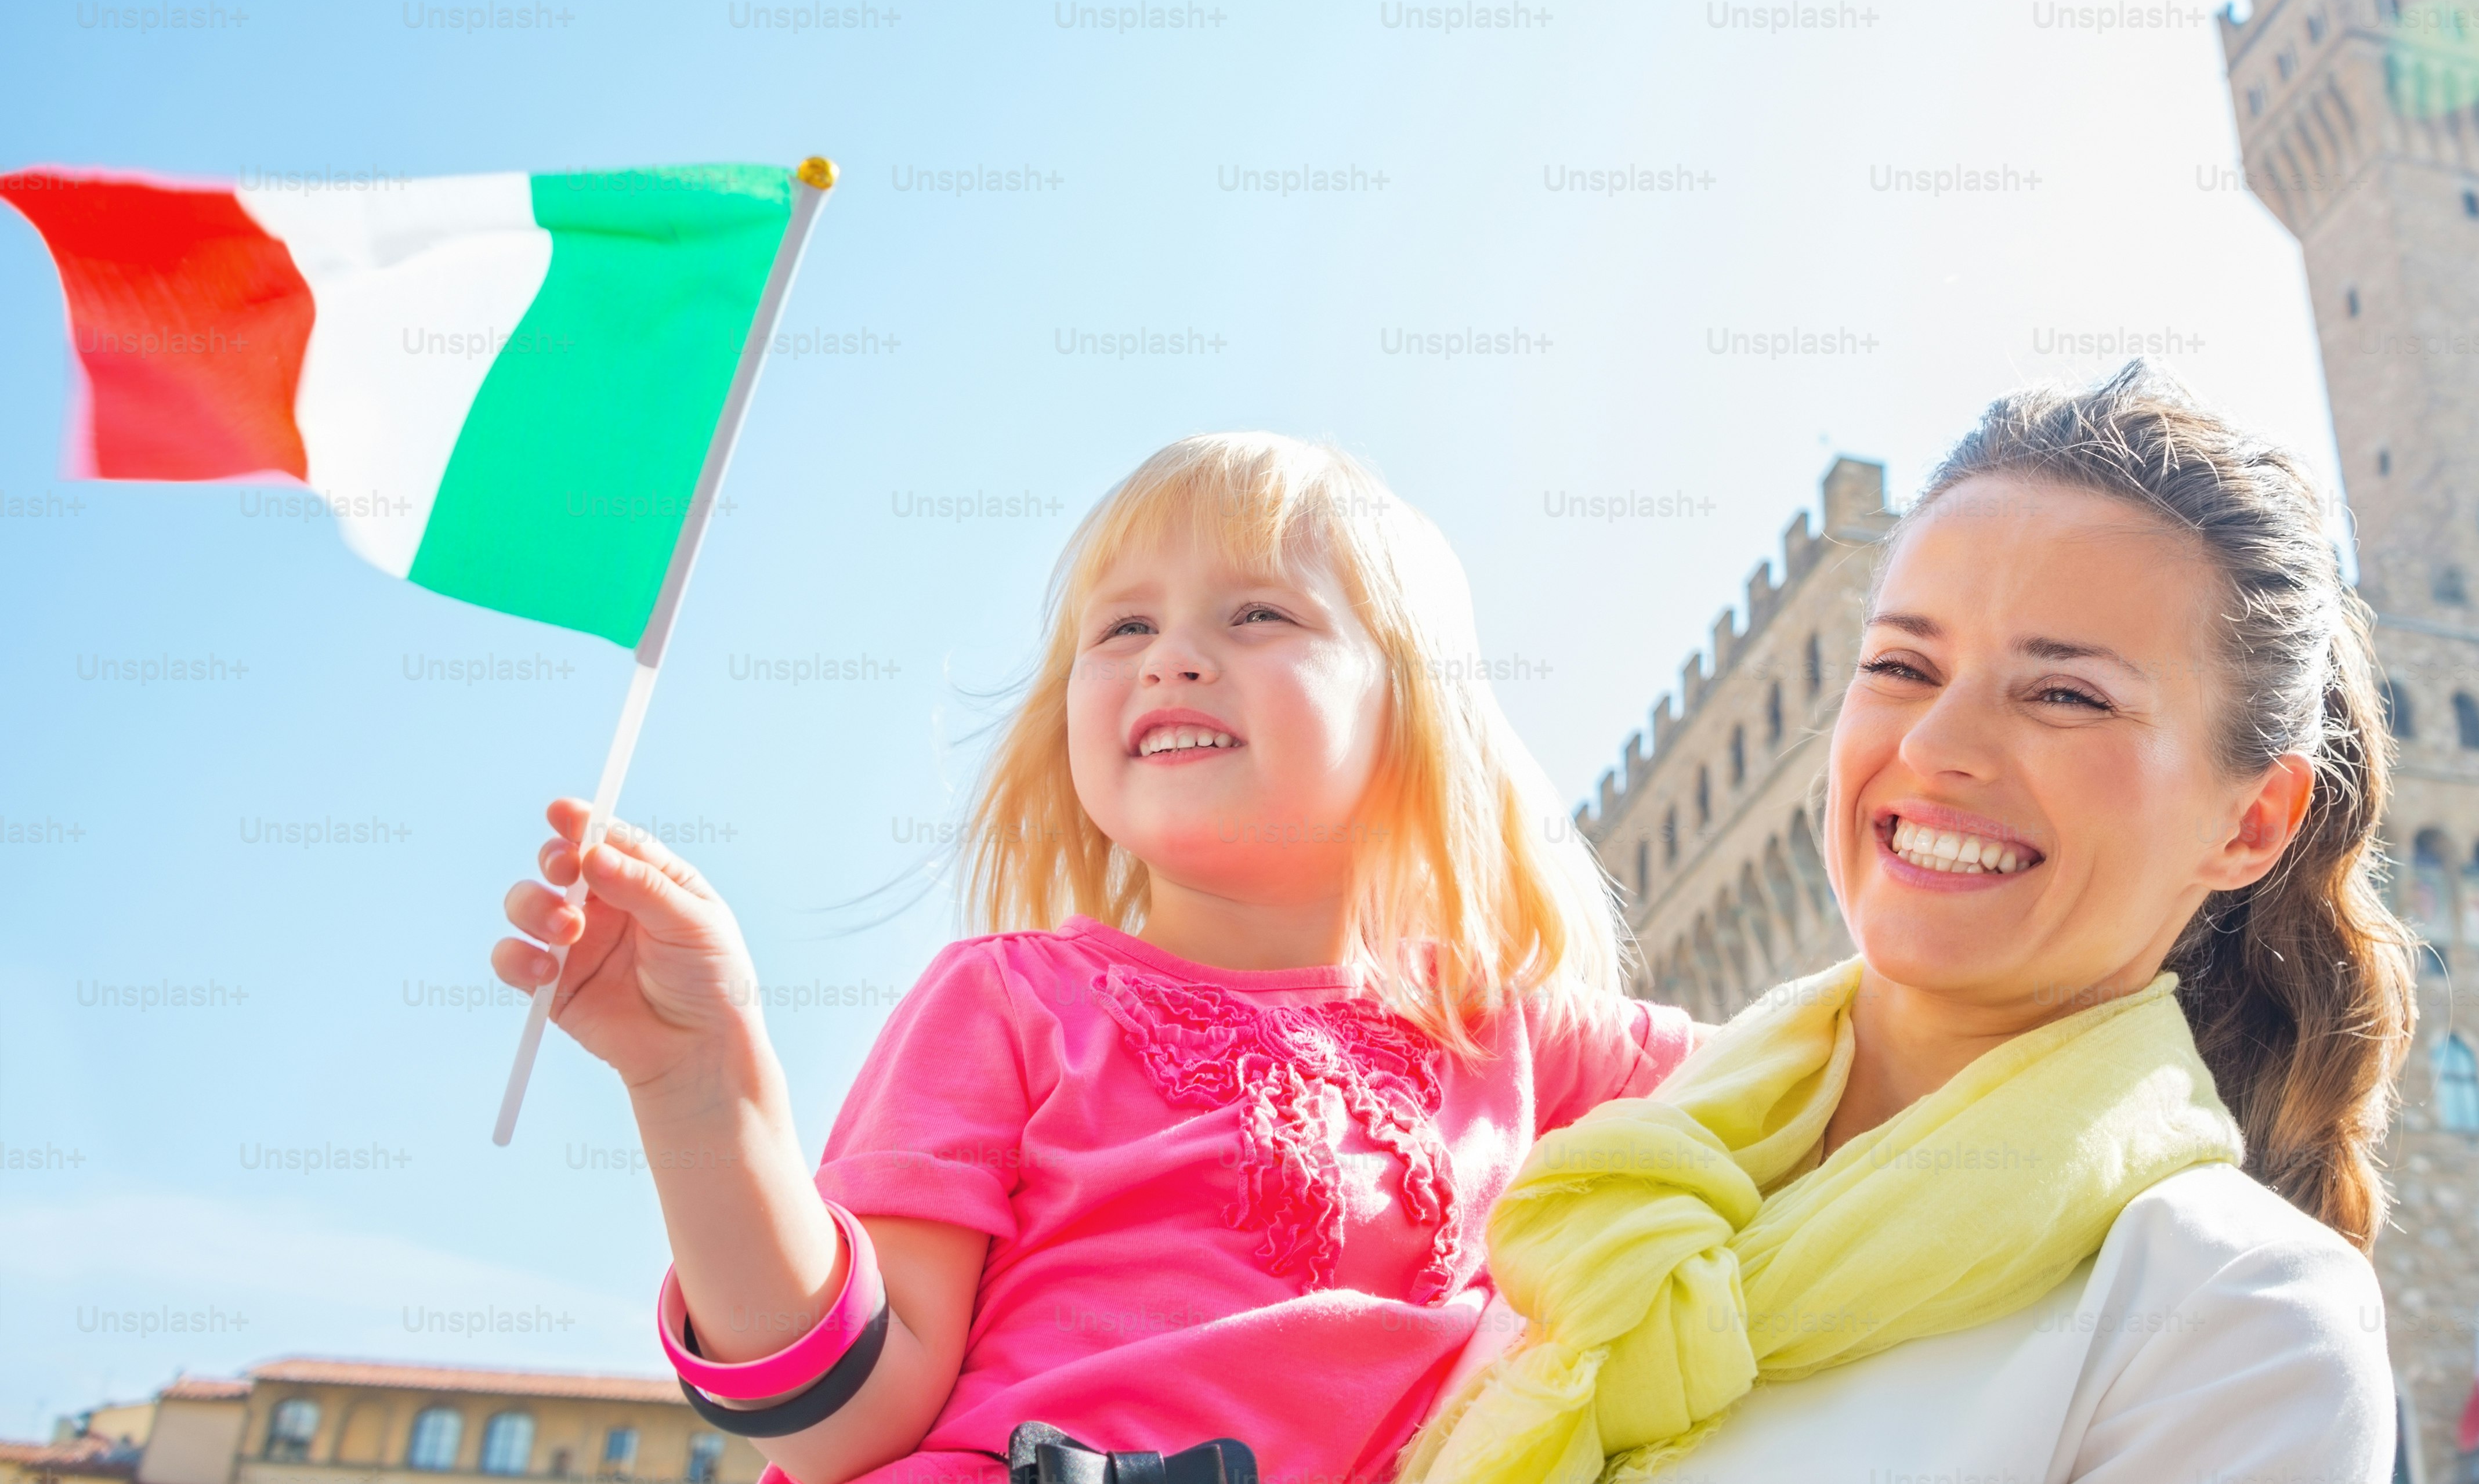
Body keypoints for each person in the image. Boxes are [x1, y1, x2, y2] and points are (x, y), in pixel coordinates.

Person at [492, 433, 1692, 1484]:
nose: (1171, 656)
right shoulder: (1010, 1001)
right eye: (1124, 626)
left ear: (1415, 715)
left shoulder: (1513, 1032)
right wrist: (701, 1087)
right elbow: (842, 1424)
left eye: (1257, 612)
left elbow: (1842, 1059)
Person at [1409, 363, 2416, 1484]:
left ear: (2251, 822)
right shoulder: (1601, 1187)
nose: (1935, 745)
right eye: (1900, 665)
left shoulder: (2242, 1326)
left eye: (2065, 694)